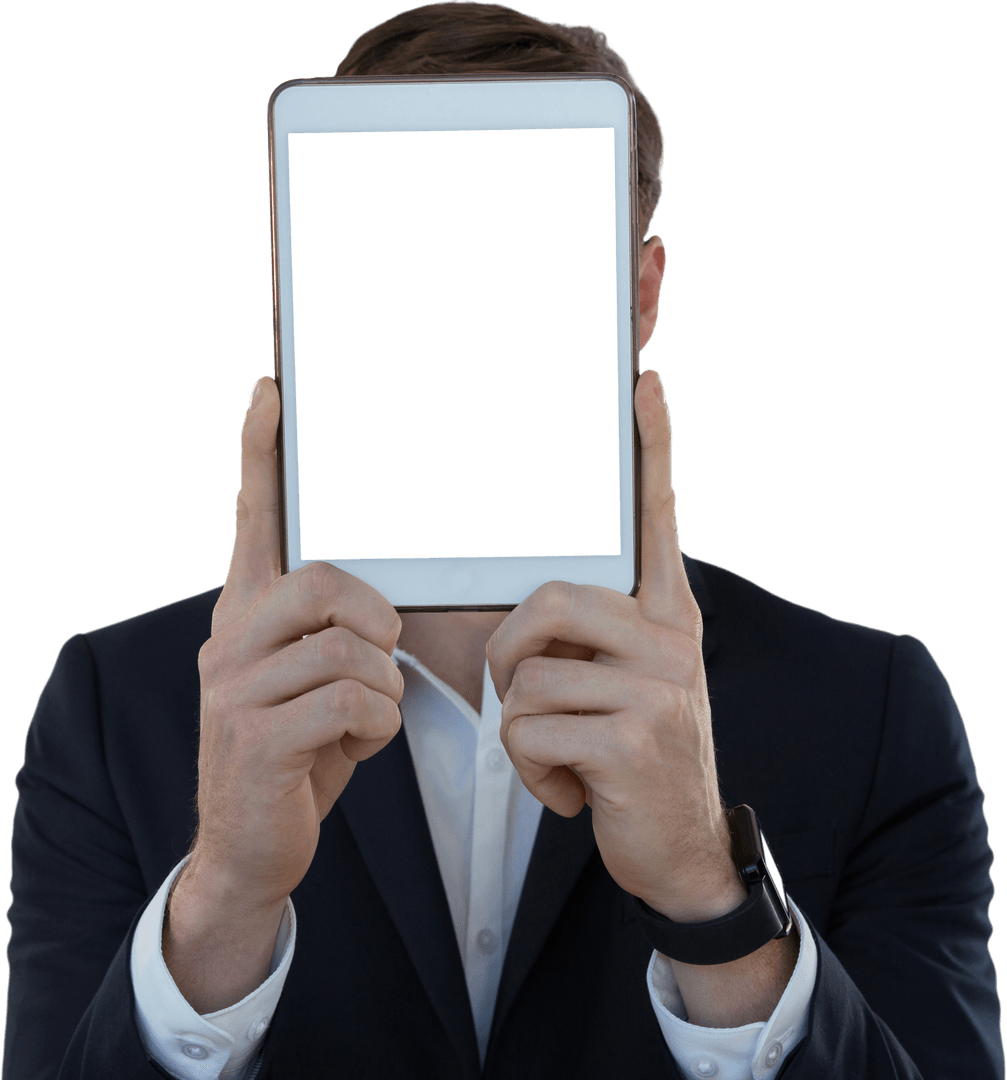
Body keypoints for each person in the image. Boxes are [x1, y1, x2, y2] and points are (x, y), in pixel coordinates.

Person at [3, 4, 1002, 1079]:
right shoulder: (114, 711)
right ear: (298, 294)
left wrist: (710, 902)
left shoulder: (873, 713)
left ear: (641, 294)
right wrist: (221, 909)